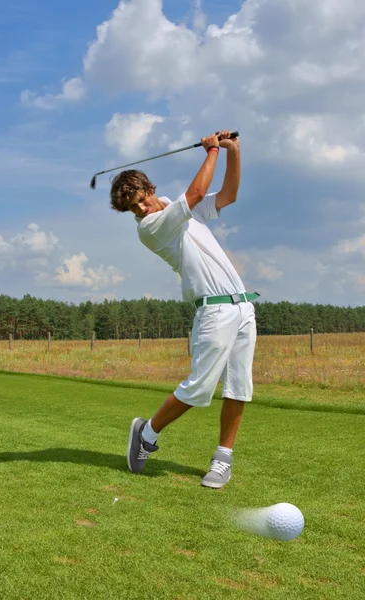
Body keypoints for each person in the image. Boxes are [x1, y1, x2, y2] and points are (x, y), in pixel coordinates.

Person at [110, 130, 259, 489]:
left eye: (141, 200)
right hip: (211, 312)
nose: (140, 209)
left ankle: (223, 458)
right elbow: (192, 195)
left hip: (242, 307)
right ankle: (146, 434)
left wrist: (233, 150)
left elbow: (228, 194)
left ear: (149, 188)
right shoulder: (151, 228)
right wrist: (211, 150)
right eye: (132, 207)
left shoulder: (182, 212)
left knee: (239, 387)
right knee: (198, 388)